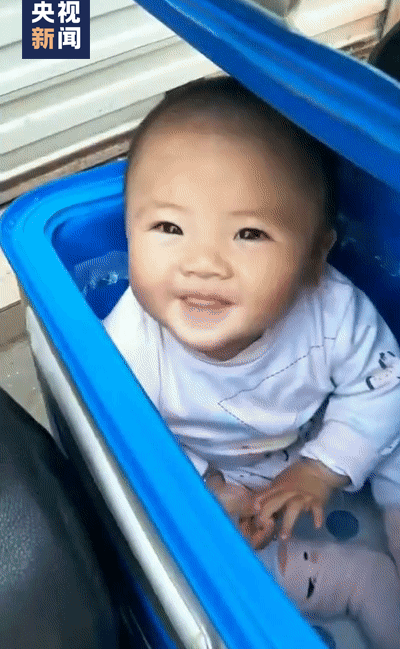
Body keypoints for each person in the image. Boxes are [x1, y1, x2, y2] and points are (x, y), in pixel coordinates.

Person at [103, 76, 400, 647]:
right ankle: (362, 581)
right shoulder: (127, 346)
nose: (203, 263)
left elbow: (382, 387)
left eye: (248, 233)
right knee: (204, 561)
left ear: (314, 258)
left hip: (326, 435)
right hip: (226, 481)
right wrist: (211, 489)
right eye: (169, 227)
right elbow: (133, 440)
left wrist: (325, 467)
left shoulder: (334, 313)